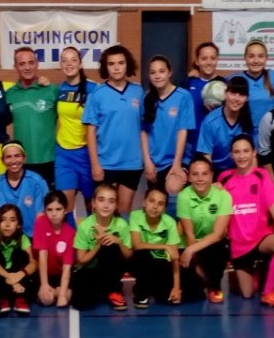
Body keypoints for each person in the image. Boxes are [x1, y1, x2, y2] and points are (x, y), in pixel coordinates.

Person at [219, 135, 274, 306]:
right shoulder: (224, 178)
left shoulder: (261, 175)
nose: (242, 156)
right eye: (237, 152)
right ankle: (243, 273)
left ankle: (269, 292)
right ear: (231, 155)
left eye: (246, 151)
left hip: (261, 238)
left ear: (253, 153)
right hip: (239, 245)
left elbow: (273, 205)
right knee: (247, 294)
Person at [83, 45, 146, 216]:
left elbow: (143, 129)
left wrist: (146, 159)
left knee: (124, 212)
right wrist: (95, 164)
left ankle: (120, 243)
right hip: (106, 162)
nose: (116, 67)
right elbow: (90, 132)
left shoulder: (138, 92)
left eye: (120, 63)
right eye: (111, 64)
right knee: (104, 212)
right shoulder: (97, 94)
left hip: (131, 162)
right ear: (106, 67)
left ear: (128, 65)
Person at [176, 158, 233, 303]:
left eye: (204, 174)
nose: (200, 179)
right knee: (191, 295)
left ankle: (214, 285)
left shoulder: (223, 196)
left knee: (219, 252)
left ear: (211, 176)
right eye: (195, 174)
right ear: (189, 177)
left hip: (213, 244)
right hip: (190, 244)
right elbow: (189, 234)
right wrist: (192, 255)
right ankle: (205, 280)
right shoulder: (183, 196)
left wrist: (192, 250)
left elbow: (218, 234)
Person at [72, 183, 135, 310]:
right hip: (89, 270)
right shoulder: (85, 226)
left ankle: (114, 290)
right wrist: (98, 244)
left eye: (111, 201)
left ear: (116, 205)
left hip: (111, 269)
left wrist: (118, 241)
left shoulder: (122, 225)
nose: (106, 205)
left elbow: (129, 255)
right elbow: (81, 259)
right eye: (101, 200)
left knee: (111, 245)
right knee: (81, 304)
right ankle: (99, 289)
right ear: (93, 203)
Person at [141, 56, 195, 193]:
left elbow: (183, 131)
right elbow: (143, 132)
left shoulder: (183, 96)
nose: (157, 76)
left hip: (177, 160)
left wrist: (177, 164)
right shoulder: (147, 98)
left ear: (169, 73)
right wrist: (147, 162)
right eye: (153, 73)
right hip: (155, 162)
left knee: (172, 188)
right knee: (156, 205)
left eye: (161, 71)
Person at [6, 46, 58, 187]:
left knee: (49, 207)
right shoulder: (9, 94)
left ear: (37, 64)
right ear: (15, 67)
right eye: (22, 64)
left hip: (49, 160)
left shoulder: (52, 90)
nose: (27, 67)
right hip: (21, 163)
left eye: (31, 62)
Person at [56, 46, 99, 215]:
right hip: (63, 154)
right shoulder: (59, 89)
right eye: (65, 60)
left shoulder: (94, 90)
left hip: (86, 155)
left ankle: (92, 241)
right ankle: (69, 241)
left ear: (80, 64)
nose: (69, 64)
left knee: (92, 206)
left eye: (73, 60)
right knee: (65, 207)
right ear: (60, 65)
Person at [128, 188, 183, 306]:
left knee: (170, 299)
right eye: (151, 201)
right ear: (144, 202)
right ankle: (141, 293)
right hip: (141, 261)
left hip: (161, 265)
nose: (155, 206)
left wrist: (176, 288)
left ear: (165, 209)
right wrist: (164, 246)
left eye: (160, 203)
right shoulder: (135, 216)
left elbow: (175, 258)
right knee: (142, 254)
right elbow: (137, 245)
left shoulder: (170, 223)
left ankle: (155, 289)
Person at [0, 141, 50, 237]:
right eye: (8, 157)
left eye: (17, 156)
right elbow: (0, 215)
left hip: (33, 236)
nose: (13, 161)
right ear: (2, 160)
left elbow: (41, 215)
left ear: (24, 157)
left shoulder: (36, 181)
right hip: (7, 236)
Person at [196, 76, 252, 173]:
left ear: (246, 98)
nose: (236, 98)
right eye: (233, 93)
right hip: (213, 170)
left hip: (237, 169)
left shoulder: (247, 119)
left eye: (241, 95)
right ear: (225, 94)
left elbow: (251, 154)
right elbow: (206, 157)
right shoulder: (210, 122)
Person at [0, 204, 37, 316]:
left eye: (12, 220)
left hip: (17, 275)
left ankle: (19, 298)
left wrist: (20, 274)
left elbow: (33, 263)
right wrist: (11, 279)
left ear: (19, 225)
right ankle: (4, 298)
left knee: (21, 254)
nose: (7, 224)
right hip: (0, 275)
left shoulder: (22, 238)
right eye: (3, 220)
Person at [181, 42, 224, 160]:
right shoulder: (188, 83)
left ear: (217, 60)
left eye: (213, 58)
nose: (209, 62)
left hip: (215, 146)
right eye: (204, 58)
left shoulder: (224, 85)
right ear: (197, 61)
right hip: (191, 146)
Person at [35, 192, 75, 307]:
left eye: (58, 209)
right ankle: (51, 291)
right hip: (44, 274)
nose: (54, 214)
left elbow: (67, 267)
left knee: (65, 296)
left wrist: (62, 295)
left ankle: (59, 291)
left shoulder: (70, 233)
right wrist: (44, 284)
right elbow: (43, 255)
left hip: (61, 275)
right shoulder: (40, 223)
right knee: (47, 300)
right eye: (49, 209)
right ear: (45, 210)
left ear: (65, 210)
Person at [229, 40, 274, 133]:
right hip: (243, 135)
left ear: (266, 58)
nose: (256, 61)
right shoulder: (236, 79)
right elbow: (216, 82)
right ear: (245, 58)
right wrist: (196, 72)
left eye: (260, 56)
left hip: (270, 135)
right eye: (251, 56)